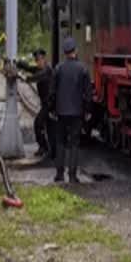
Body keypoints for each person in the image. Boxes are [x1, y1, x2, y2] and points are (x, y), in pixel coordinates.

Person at [49, 36, 91, 183]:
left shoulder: (58, 69)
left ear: (64, 53)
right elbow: (87, 94)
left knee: (60, 141)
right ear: (75, 51)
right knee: (74, 143)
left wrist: (52, 109)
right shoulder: (83, 69)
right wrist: (87, 111)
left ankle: (59, 174)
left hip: (61, 112)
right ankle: (72, 175)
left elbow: (52, 92)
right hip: (77, 113)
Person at [17, 48, 55, 160]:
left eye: (39, 59)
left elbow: (35, 77)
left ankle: (44, 148)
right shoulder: (39, 69)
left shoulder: (47, 70)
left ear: (44, 59)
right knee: (47, 126)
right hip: (46, 104)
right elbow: (28, 68)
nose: (38, 62)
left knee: (38, 123)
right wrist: (18, 62)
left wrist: (23, 77)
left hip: (49, 104)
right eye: (36, 60)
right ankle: (48, 149)